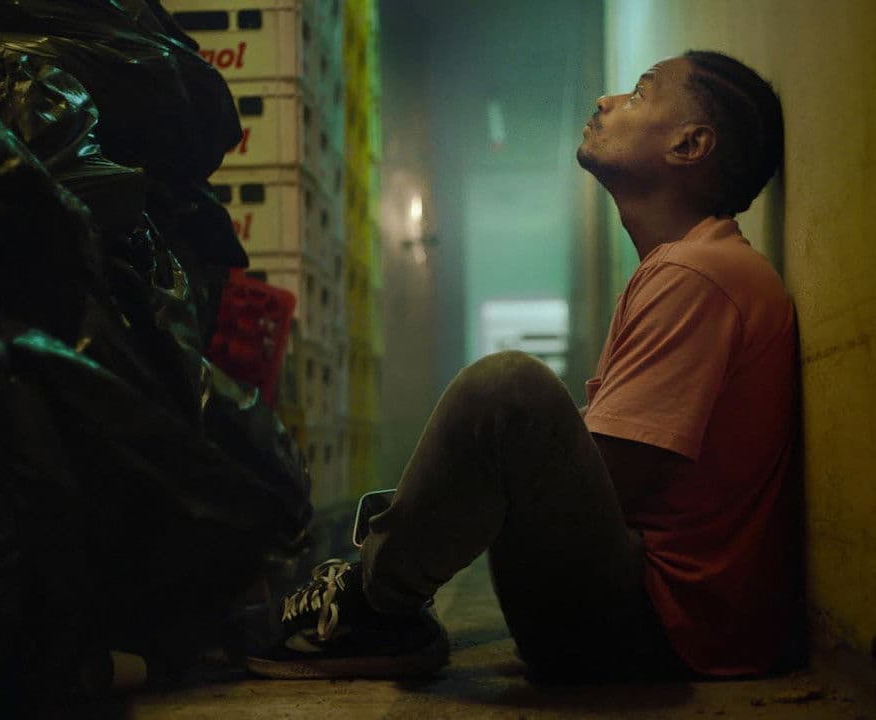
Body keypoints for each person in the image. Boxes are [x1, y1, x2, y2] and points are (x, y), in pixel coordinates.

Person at [245, 49, 800, 683]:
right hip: (661, 618)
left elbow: (612, 479)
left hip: (657, 629)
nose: (607, 101)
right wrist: (443, 500)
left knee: (507, 390)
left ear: (689, 144)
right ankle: (382, 583)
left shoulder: (697, 274)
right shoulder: (688, 267)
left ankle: (375, 602)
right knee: (518, 413)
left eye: (640, 94)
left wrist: (461, 494)